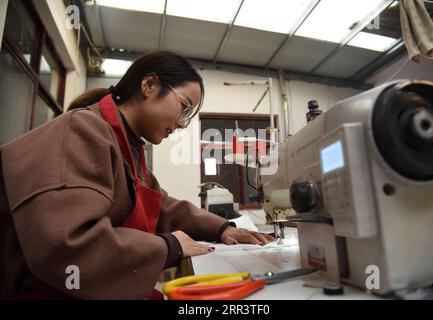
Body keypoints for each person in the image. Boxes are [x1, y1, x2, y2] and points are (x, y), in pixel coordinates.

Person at [0, 51, 274, 299]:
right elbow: (67, 247)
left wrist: (221, 228)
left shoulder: (128, 148)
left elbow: (164, 207)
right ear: (149, 85)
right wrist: (169, 246)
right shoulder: (81, 130)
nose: (181, 124)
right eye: (184, 107)